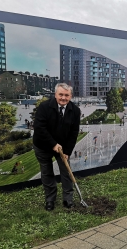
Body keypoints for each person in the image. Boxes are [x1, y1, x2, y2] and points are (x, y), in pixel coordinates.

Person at [33, 83, 81, 211]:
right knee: (47, 172)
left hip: (63, 146)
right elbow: (39, 128)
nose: (63, 98)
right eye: (61, 94)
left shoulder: (75, 111)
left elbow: (73, 132)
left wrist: (68, 151)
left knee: (66, 171)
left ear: (70, 96)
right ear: (55, 95)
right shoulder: (44, 107)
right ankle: (50, 200)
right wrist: (53, 144)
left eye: (66, 95)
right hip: (43, 145)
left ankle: (68, 199)